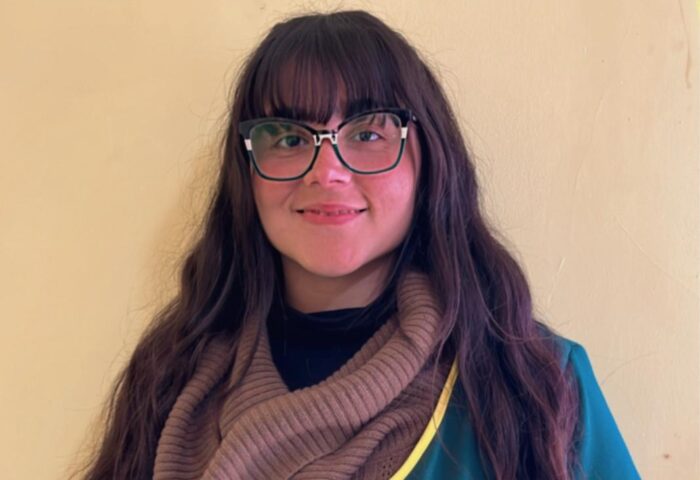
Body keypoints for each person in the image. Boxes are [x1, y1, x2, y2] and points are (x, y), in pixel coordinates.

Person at [77, 10, 640, 480]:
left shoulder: (534, 383)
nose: (327, 171)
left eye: (368, 132)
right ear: (245, 173)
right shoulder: (169, 378)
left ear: (430, 159)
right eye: (289, 137)